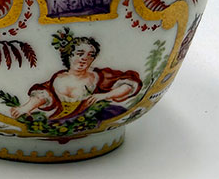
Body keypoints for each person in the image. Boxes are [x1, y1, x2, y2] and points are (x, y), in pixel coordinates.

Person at [9, 31, 141, 122]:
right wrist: (25, 108)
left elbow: (128, 85)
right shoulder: (57, 80)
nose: (84, 59)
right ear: (69, 55)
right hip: (63, 119)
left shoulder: (98, 76)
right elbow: (42, 96)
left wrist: (104, 96)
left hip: (93, 117)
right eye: (80, 53)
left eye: (90, 55)